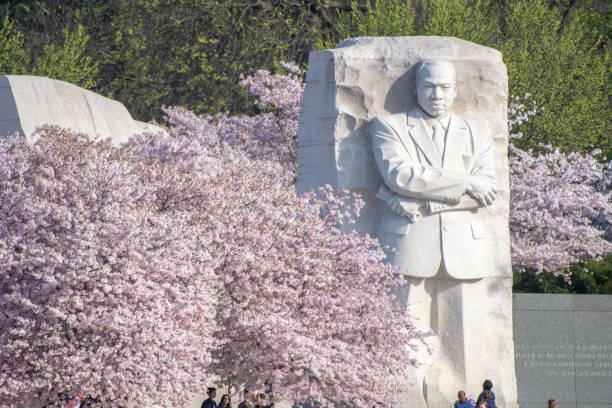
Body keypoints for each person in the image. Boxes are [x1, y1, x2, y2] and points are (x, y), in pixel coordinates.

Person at [370, 58, 497, 399]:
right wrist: (465, 181)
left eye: (444, 87)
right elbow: (400, 175)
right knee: (401, 335)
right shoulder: (389, 126)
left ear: (455, 90)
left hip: (463, 248)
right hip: (407, 244)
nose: (436, 94)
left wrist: (426, 203)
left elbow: (486, 192)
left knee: (465, 345)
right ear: (415, 88)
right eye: (428, 86)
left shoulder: (477, 132)